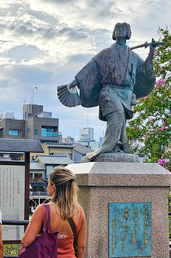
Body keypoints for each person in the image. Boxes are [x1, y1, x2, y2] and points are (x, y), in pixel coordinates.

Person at [60, 22, 158, 161]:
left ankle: (118, 147)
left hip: (126, 93)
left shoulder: (133, 56)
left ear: (127, 33)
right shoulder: (106, 53)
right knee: (117, 115)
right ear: (114, 32)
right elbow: (90, 67)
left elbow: (144, 70)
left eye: (123, 29)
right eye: (117, 28)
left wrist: (151, 52)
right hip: (109, 91)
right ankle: (104, 148)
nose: (120, 30)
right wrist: (76, 81)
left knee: (121, 123)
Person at [21, 167, 87, 258]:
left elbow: (26, 241)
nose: (46, 186)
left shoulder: (43, 210)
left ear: (54, 187)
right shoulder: (79, 211)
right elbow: (81, 246)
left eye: (48, 183)